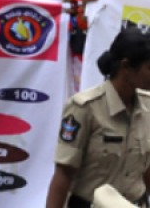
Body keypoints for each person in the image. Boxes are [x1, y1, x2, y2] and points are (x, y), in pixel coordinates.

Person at [45, 26, 150, 208]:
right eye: (149, 68)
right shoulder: (85, 108)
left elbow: (146, 170)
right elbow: (63, 174)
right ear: (126, 66)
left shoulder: (147, 107)